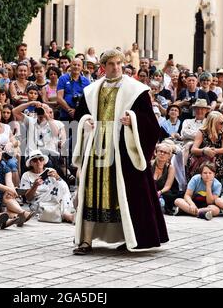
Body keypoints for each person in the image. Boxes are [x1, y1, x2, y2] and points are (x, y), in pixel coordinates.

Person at [72, 49, 168, 255]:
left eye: (118, 63)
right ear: (103, 67)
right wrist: (85, 121)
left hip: (123, 148)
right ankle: (85, 240)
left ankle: (129, 237)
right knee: (91, 191)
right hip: (97, 147)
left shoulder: (136, 90)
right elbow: (79, 115)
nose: (115, 67)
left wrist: (133, 120)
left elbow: (151, 124)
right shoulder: (92, 90)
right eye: (111, 64)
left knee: (125, 193)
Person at [20, 150, 75, 223]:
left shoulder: (50, 170)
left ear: (44, 161)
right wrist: (35, 186)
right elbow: (28, 198)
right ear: (31, 163)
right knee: (61, 186)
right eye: (35, 160)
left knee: (61, 184)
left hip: (53, 198)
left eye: (40, 159)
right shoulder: (26, 175)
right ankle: (66, 215)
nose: (38, 162)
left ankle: (66, 214)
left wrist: (58, 177)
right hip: (38, 201)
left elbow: (63, 188)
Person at [186, 111, 223, 182]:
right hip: (201, 158)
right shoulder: (202, 132)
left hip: (216, 158)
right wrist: (204, 151)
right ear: (213, 123)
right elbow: (193, 149)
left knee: (215, 162)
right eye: (221, 123)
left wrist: (214, 151)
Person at [152, 143, 181, 215]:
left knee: (168, 195)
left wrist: (160, 192)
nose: (162, 154)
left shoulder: (170, 168)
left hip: (162, 191)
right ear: (156, 152)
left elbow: (168, 186)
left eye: (165, 153)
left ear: (169, 156)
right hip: (150, 189)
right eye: (160, 151)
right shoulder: (150, 164)